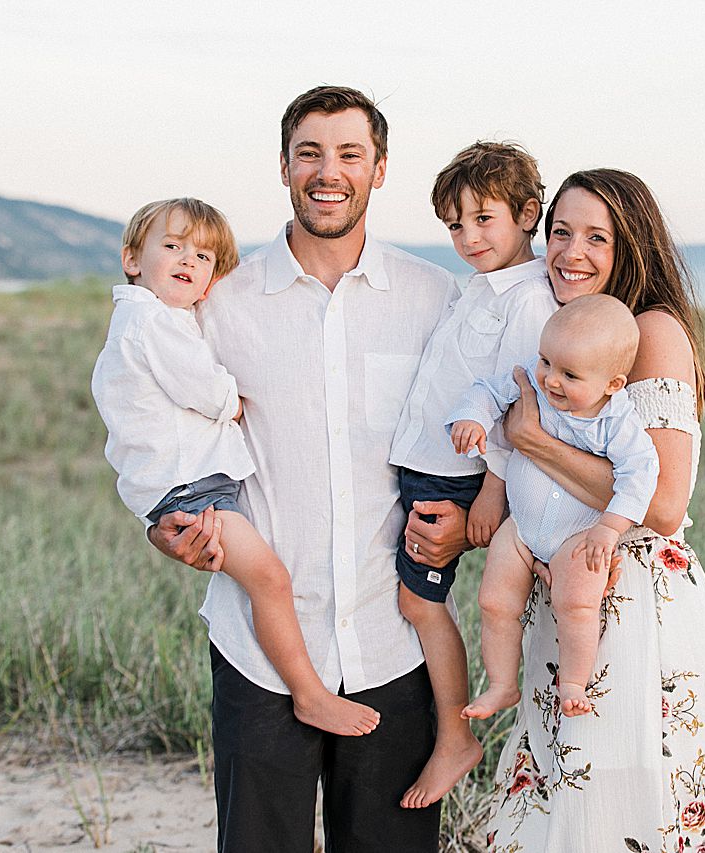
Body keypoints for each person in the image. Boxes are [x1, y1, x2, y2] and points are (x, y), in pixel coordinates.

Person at [146, 86, 468, 853]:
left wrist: (464, 519)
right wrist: (163, 524)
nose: (329, 172)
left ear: (379, 169)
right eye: (311, 153)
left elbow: (470, 438)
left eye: (350, 153)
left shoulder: (435, 298)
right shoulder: (219, 303)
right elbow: (160, 426)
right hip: (260, 651)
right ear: (284, 166)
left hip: (392, 639)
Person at [483, 170, 705, 852]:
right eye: (560, 231)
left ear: (632, 248)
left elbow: (665, 502)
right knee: (572, 794)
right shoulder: (564, 330)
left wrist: (532, 438)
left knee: (627, 794)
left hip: (633, 601)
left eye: (598, 237)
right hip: (569, 590)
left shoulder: (651, 331)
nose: (572, 251)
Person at [92, 198, 382, 740]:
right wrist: (235, 401)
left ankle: (307, 690)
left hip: (186, 487)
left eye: (203, 255)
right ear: (132, 258)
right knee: (271, 579)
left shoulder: (158, 316)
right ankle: (310, 693)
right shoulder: (151, 321)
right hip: (190, 492)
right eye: (172, 247)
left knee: (265, 578)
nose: (188, 260)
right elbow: (202, 387)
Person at [389, 141, 558, 809]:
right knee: (408, 600)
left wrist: (492, 486)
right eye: (455, 224)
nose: (467, 237)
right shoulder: (479, 287)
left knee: (419, 603)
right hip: (425, 467)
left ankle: (456, 734)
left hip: (456, 478)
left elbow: (521, 400)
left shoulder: (528, 301)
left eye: (483, 219)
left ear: (526, 213)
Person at [451, 294, 658, 721]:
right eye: (546, 361)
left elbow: (641, 474)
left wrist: (610, 528)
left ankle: (573, 684)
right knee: (493, 602)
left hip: (577, 534)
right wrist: (474, 416)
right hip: (522, 528)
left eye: (570, 374)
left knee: (578, 604)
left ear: (612, 384)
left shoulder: (617, 423)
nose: (550, 380)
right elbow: (489, 389)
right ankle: (503, 685)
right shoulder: (535, 379)